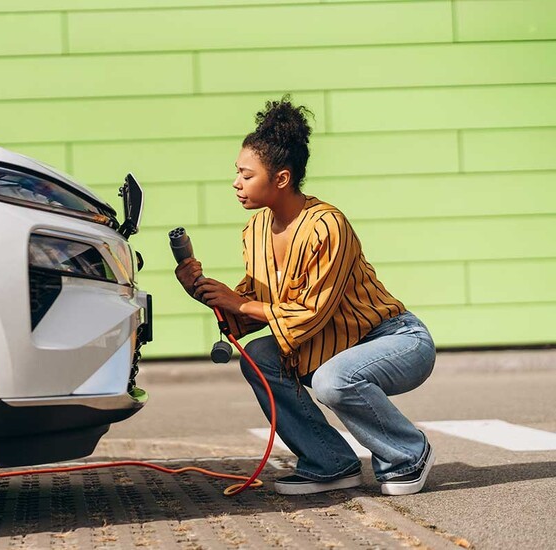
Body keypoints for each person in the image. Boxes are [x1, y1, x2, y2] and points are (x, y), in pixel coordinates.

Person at [174, 96, 437, 496]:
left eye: (246, 175)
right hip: (327, 346)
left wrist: (239, 302)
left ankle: (407, 454)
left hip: (394, 341)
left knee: (335, 379)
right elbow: (251, 312)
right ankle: (329, 462)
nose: (236, 182)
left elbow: (309, 313)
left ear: (280, 178)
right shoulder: (255, 232)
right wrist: (204, 291)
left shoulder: (326, 225)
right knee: (260, 357)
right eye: (236, 173)